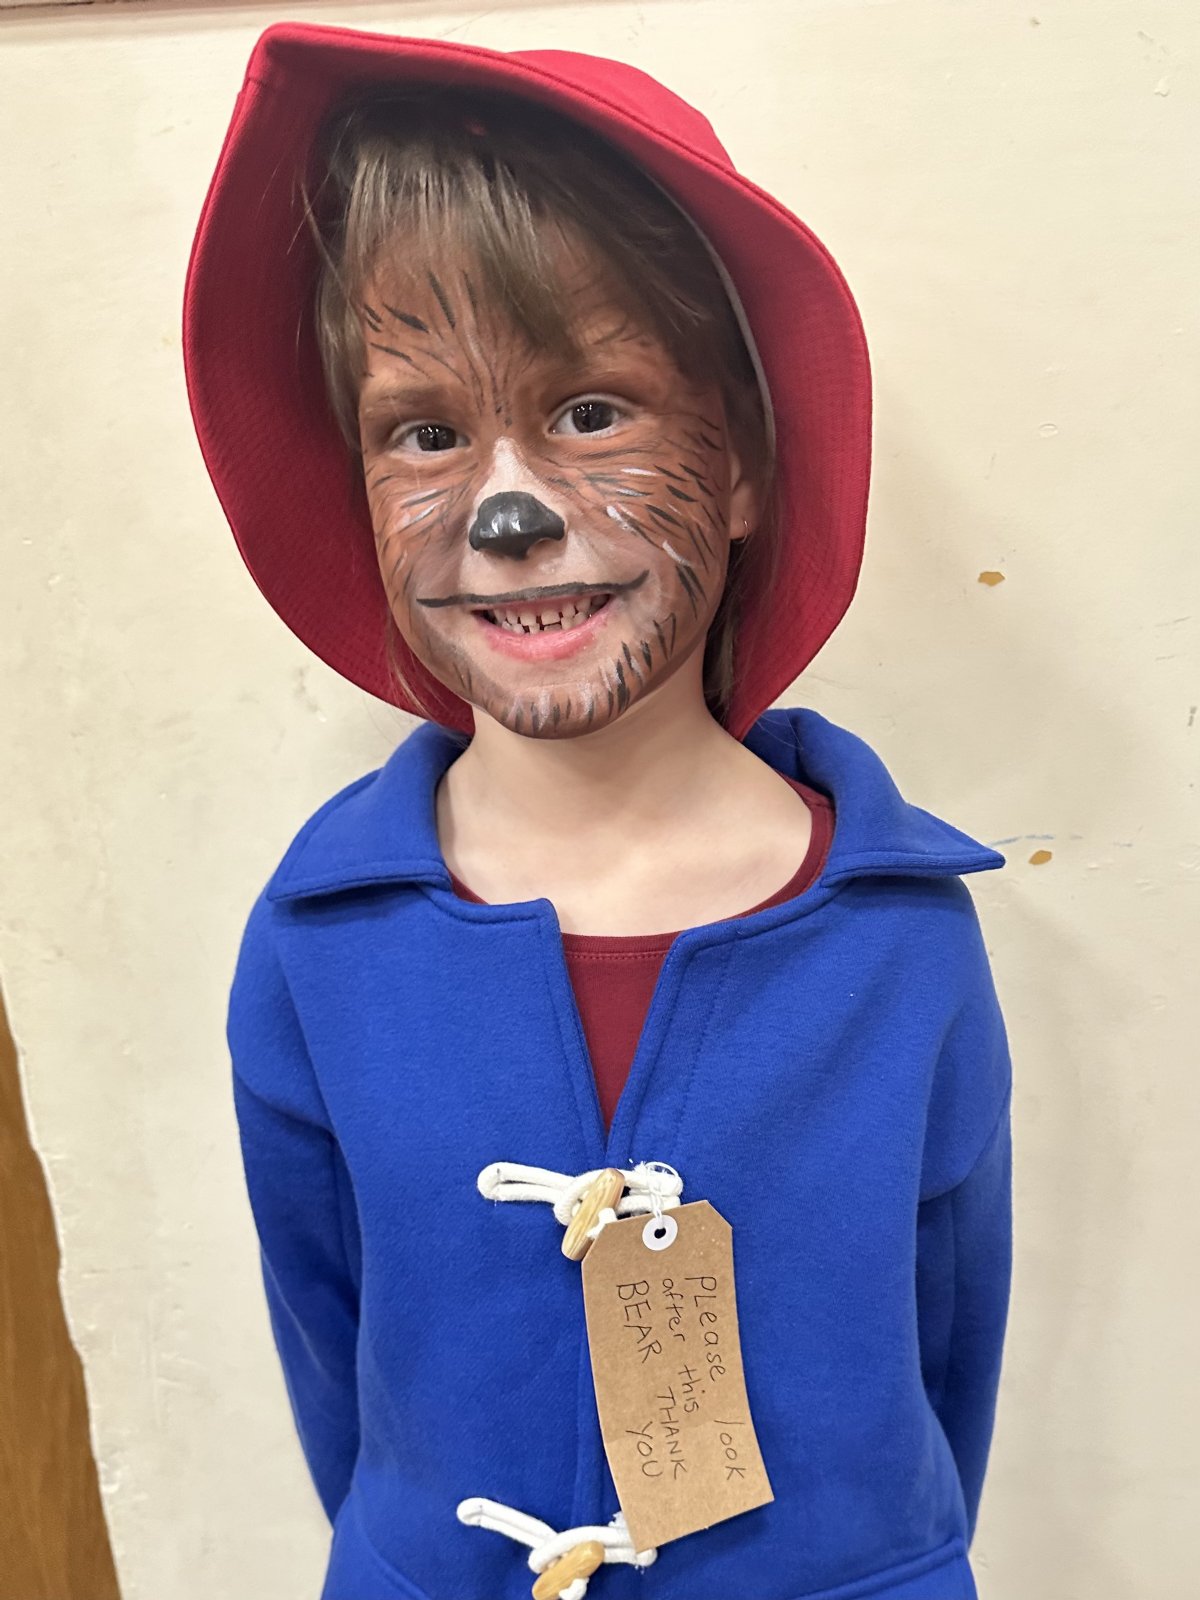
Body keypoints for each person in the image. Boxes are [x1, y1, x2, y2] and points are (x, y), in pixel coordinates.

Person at [184, 22, 1013, 1600]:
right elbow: (334, 1357)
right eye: (426, 433)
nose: (508, 514)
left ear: (745, 462)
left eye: (592, 411)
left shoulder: (903, 938)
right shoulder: (315, 944)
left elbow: (945, 1361)